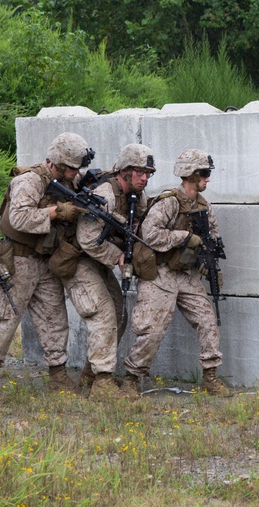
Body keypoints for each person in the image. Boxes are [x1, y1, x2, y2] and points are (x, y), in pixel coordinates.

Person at [0, 133, 94, 394]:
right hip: (18, 259)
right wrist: (55, 212)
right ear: (59, 163)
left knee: (55, 319)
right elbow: (17, 218)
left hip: (45, 260)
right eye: (73, 167)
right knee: (4, 319)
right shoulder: (29, 181)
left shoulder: (66, 181)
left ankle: (58, 375)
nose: (76, 173)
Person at [121, 148, 228, 397]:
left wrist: (210, 264)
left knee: (207, 320)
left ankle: (210, 377)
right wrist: (185, 237)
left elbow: (212, 238)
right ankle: (130, 378)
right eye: (203, 173)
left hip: (186, 274)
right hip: (160, 272)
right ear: (189, 174)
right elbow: (149, 235)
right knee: (153, 328)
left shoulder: (204, 207)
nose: (207, 178)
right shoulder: (168, 202)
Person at [68, 143, 154, 398]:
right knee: (104, 314)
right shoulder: (105, 193)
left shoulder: (137, 195)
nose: (144, 178)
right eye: (139, 172)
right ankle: (103, 382)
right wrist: (117, 255)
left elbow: (140, 221)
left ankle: (91, 374)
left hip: (99, 263)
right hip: (78, 260)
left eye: (148, 173)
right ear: (124, 171)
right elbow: (87, 238)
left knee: (119, 313)